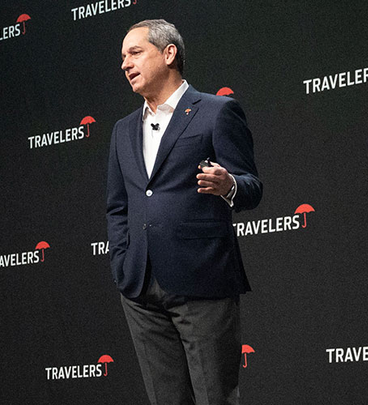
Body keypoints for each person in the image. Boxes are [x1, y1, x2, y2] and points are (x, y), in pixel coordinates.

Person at [107, 20, 263, 405]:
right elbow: (118, 205)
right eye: (123, 57)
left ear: (169, 53)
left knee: (215, 398)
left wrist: (229, 185)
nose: (125, 64)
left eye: (135, 52)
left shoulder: (216, 111)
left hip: (203, 278)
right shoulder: (122, 131)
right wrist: (123, 263)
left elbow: (251, 187)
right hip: (140, 284)